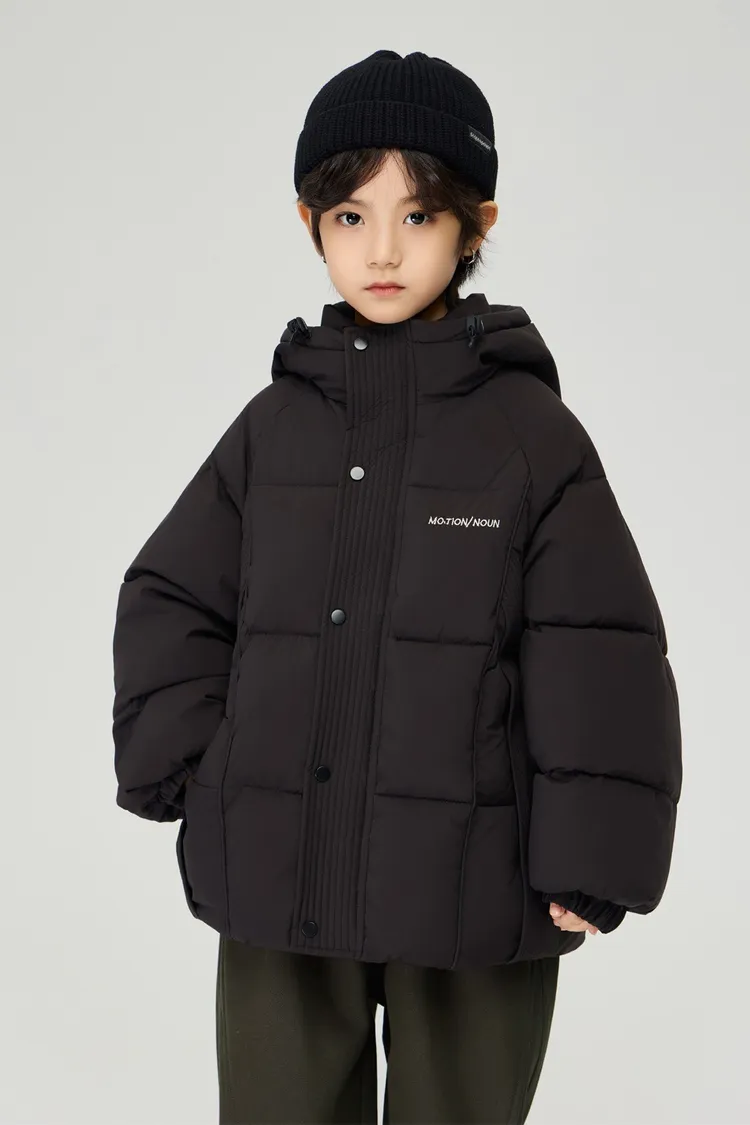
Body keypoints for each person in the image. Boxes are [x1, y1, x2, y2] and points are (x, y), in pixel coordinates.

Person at [112, 49, 683, 1125]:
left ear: (476, 225)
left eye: (418, 216)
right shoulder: (274, 429)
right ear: (310, 224)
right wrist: (192, 765)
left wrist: (593, 855)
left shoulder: (531, 437)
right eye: (351, 216)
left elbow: (598, 647)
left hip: (476, 886)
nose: (382, 249)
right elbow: (172, 595)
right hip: (282, 879)